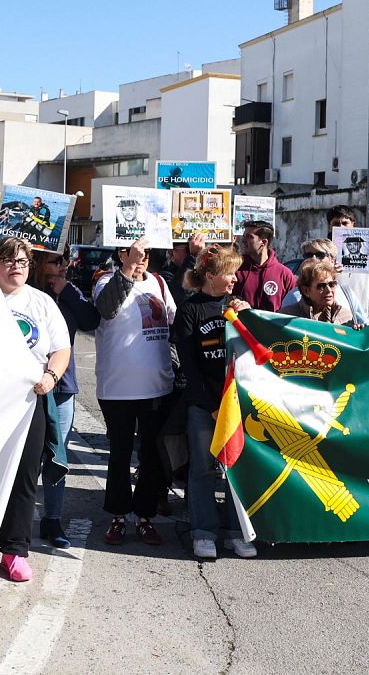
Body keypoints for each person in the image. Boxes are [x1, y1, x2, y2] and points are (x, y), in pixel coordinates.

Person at [0, 237, 69, 582]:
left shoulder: (42, 302)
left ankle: (14, 550)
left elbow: (60, 349)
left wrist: (51, 376)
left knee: (24, 478)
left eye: (22, 261)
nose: (16, 266)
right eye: (8, 261)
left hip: (30, 401)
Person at [173, 245, 256, 560]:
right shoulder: (190, 309)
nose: (235, 279)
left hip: (238, 404)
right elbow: (189, 366)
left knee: (238, 469)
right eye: (229, 273)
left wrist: (249, 315)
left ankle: (238, 532)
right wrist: (210, 404)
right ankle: (203, 532)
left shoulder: (236, 305)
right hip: (204, 404)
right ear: (210, 276)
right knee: (205, 469)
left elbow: (255, 350)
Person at [91, 237, 175, 548]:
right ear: (120, 253)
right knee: (120, 454)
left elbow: (173, 322)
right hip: (118, 389)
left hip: (157, 386)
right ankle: (117, 515)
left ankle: (145, 516)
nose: (140, 258)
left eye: (144, 253)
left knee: (152, 456)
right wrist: (126, 270)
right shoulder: (105, 281)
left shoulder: (158, 283)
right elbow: (107, 309)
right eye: (131, 252)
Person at [29, 250, 100, 548]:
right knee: (25, 458)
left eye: (64, 261)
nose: (62, 266)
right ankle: (12, 520)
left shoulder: (66, 291)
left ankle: (52, 519)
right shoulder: (23, 292)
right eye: (55, 261)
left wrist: (67, 291)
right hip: (27, 386)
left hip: (63, 385)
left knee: (57, 456)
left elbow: (90, 320)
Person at [325, 206, 369, 324]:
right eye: (336, 223)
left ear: (353, 225)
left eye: (345, 223)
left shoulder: (368, 258)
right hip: (331, 325)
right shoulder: (322, 255)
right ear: (329, 226)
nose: (340, 227)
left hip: (361, 325)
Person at [233, 221, 295, 312]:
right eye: (243, 236)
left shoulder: (285, 275)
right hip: (240, 326)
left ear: (264, 242)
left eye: (249, 237)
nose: (243, 240)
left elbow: (293, 308)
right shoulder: (235, 269)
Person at [287, 258, 359, 326]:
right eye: (321, 286)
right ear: (306, 290)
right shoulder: (288, 316)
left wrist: (358, 333)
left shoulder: (345, 316)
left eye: (332, 284)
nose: (328, 290)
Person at [161, 234, 206, 306]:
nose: (199, 251)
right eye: (188, 249)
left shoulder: (203, 273)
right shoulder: (165, 275)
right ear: (172, 253)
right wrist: (193, 256)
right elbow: (177, 296)